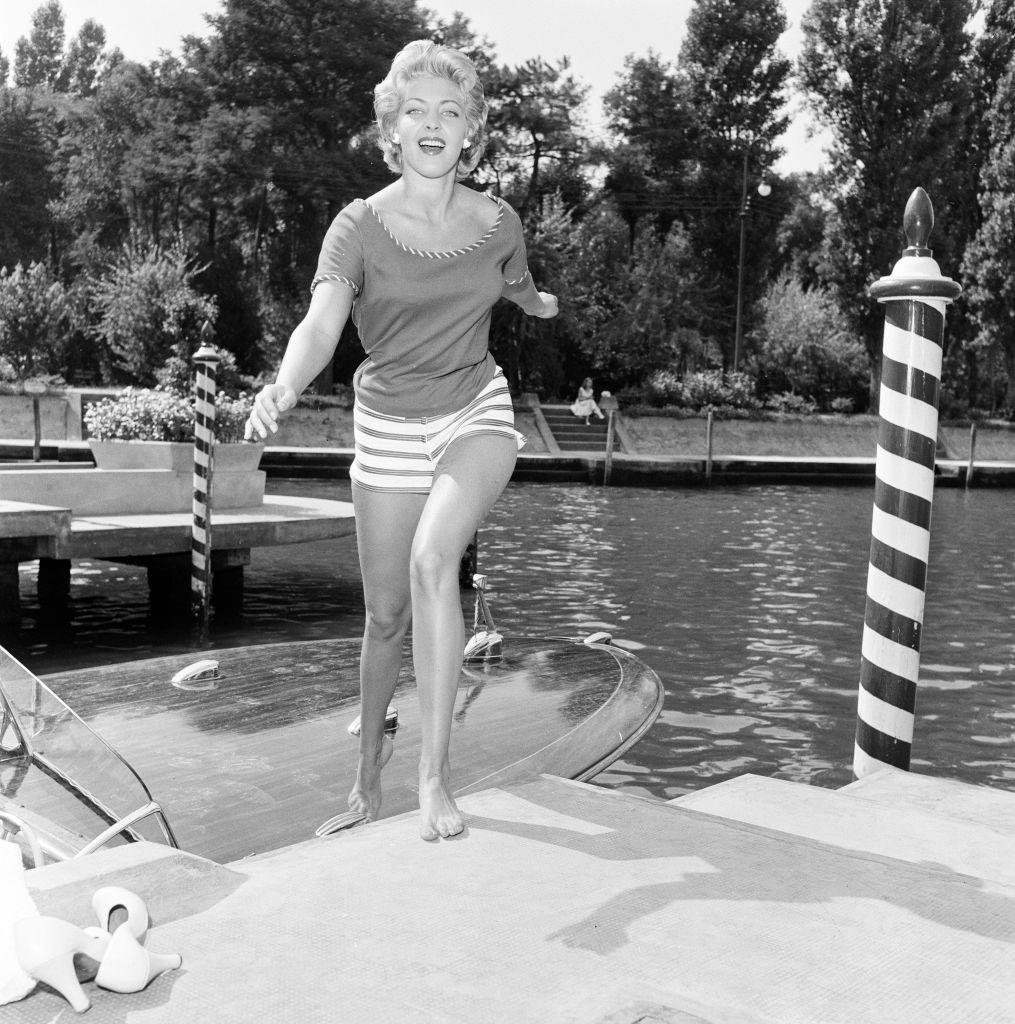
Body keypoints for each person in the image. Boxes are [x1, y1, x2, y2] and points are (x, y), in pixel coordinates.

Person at [244, 40, 557, 841]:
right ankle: (366, 782)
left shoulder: (497, 221)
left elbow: (515, 281)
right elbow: (322, 324)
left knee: (432, 562)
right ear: (392, 127)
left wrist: (536, 303)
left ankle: (434, 776)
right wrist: (284, 384)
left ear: (470, 131)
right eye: (414, 109)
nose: (431, 123)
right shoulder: (357, 228)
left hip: (472, 410)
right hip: (385, 424)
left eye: (449, 111)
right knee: (384, 618)